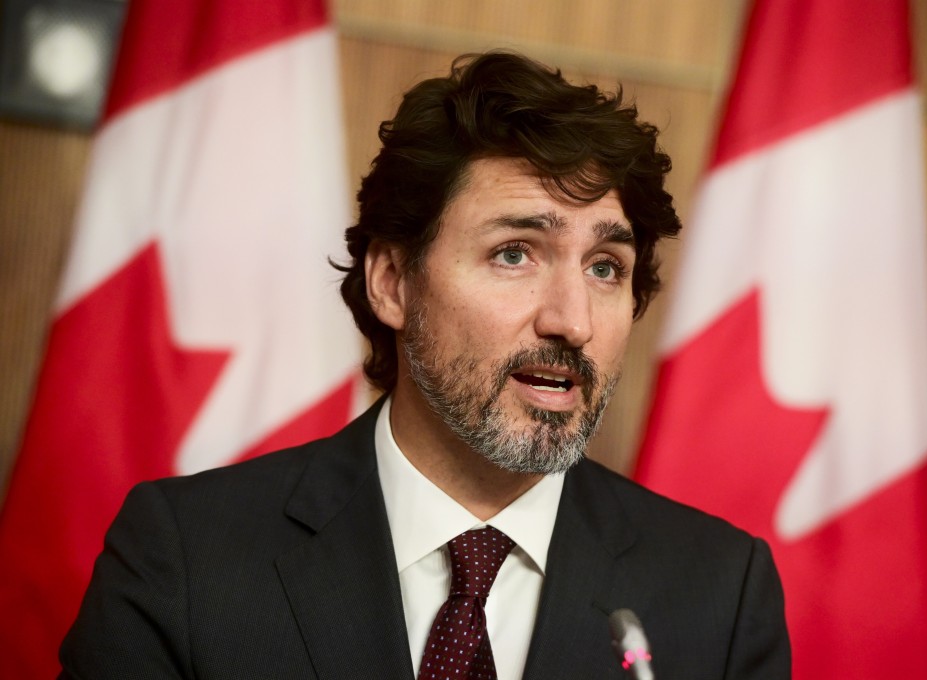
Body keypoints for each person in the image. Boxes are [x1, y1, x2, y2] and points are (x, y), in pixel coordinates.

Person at [59, 52, 790, 679]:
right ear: (392, 282)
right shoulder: (188, 558)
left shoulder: (719, 595)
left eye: (605, 267)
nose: (571, 320)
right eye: (514, 253)